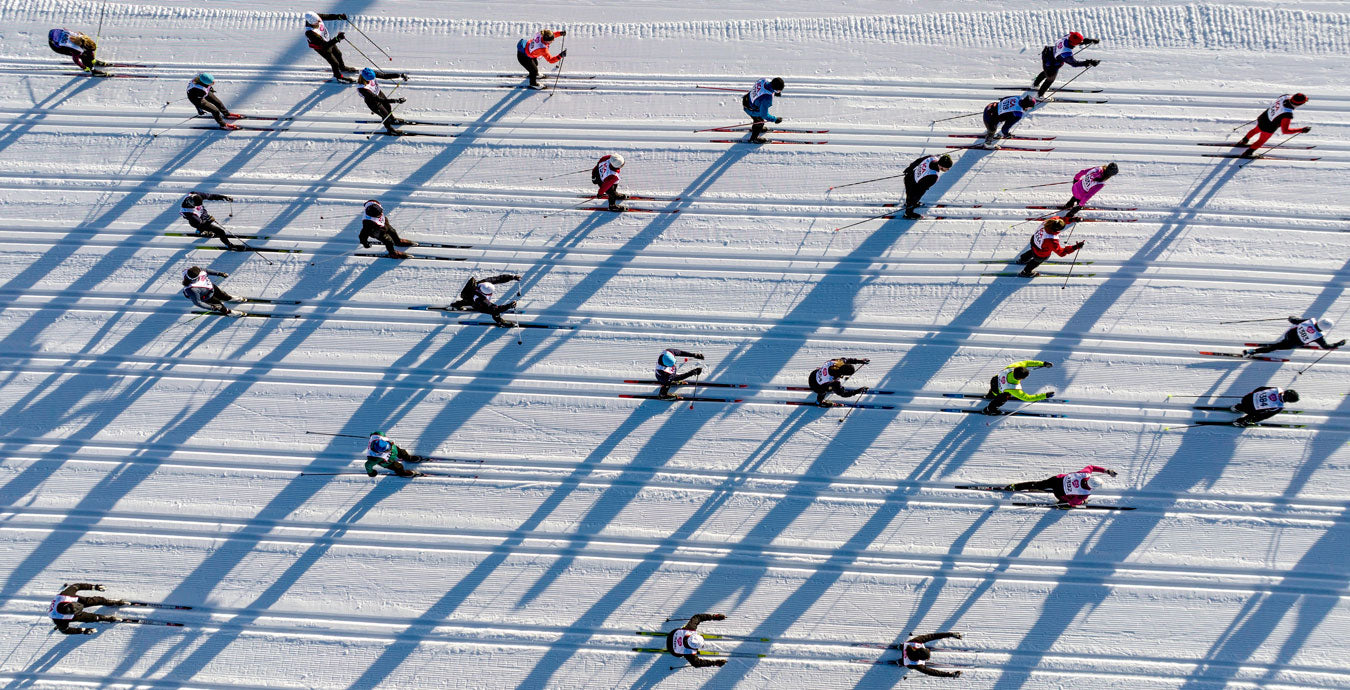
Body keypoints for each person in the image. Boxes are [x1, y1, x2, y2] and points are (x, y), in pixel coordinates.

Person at [1005, 465, 1118, 508]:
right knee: (1069, 503)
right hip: (1059, 492)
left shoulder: (1085, 474)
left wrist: (1107, 471)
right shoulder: (1084, 494)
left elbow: (1092, 467)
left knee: (1038, 484)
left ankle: (1014, 487)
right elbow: (1073, 502)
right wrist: (1082, 502)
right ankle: (1060, 504)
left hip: (1056, 480)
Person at [1238, 93, 1310, 157]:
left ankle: (1243, 141)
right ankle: (1248, 153)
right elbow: (1285, 131)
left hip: (1263, 117)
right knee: (1261, 140)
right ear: (1299, 104)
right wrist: (1301, 130)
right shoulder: (1287, 114)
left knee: (1255, 130)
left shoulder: (1284, 96)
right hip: (1269, 127)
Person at [1032, 31, 1100, 98]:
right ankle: (1039, 95)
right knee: (1050, 79)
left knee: (1046, 72)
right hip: (1052, 63)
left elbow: (1075, 41)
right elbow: (1075, 64)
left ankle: (1035, 84)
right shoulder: (1066, 53)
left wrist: (1089, 41)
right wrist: (1089, 62)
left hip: (1048, 53)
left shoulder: (1068, 37)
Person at [49, 583, 131, 634]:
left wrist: (94, 587)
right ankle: (103, 618)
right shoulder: (59, 619)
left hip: (77, 601)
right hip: (72, 615)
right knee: (92, 618)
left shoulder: (66, 595)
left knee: (97, 600)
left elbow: (78, 586)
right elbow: (65, 630)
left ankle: (109, 602)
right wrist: (82, 630)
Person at [1015, 217, 1082, 277]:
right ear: (1057, 230)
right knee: (1036, 261)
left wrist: (1073, 219)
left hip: (1034, 243)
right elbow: (1061, 253)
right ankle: (1026, 272)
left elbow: (1061, 219)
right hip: (1041, 254)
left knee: (1032, 251)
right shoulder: (1051, 240)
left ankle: (1023, 259)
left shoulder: (1049, 222)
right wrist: (1075, 247)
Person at [1245, 316, 1344, 356]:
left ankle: (1275, 345)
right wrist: (1338, 344)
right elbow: (1325, 347)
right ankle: (1253, 351)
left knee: (1280, 344)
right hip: (1293, 343)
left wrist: (1291, 318)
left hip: (1289, 334)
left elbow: (1294, 320)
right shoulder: (1318, 336)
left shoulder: (1309, 321)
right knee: (1275, 347)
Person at [983, 360, 1054, 415]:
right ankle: (990, 409)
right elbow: (1027, 398)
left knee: (996, 390)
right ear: (1021, 378)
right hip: (997, 389)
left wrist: (1043, 363)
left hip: (994, 380)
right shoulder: (1013, 388)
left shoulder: (1013, 367)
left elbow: (1027, 363)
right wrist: (1045, 395)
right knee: (1005, 396)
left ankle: (990, 395)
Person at [449, 274, 521, 326]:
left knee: (467, 301)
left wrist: (512, 277)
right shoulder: (482, 300)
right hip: (478, 306)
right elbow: (495, 309)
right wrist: (509, 306)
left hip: (469, 296)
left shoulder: (483, 283)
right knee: (494, 312)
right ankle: (499, 321)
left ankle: (455, 305)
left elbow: (498, 279)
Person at [303, 11, 356, 82]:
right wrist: (337, 39)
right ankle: (338, 77)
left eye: (319, 20)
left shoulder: (316, 17)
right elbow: (325, 46)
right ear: (312, 23)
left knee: (338, 54)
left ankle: (342, 68)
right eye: (317, 22)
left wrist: (339, 16)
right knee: (334, 63)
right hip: (322, 48)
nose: (319, 21)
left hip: (328, 40)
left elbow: (327, 16)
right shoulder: (310, 33)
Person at [357, 67, 411, 136]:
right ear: (366, 79)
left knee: (388, 106)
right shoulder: (362, 88)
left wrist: (399, 75)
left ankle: (392, 119)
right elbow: (379, 99)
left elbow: (384, 76)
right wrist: (396, 101)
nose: (373, 79)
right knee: (385, 115)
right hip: (373, 102)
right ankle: (390, 130)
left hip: (379, 93)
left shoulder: (369, 73)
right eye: (371, 79)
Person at [900, 153, 953, 219]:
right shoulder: (933, 176)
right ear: (941, 166)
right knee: (913, 196)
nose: (948, 169)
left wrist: (909, 169)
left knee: (910, 195)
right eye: (947, 168)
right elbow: (920, 189)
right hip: (912, 183)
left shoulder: (931, 157)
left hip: (909, 177)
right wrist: (914, 200)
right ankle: (908, 213)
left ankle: (909, 203)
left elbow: (918, 161)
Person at [897, 631, 965, 678]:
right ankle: (900, 662)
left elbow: (932, 636)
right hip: (907, 661)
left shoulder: (916, 642)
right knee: (909, 665)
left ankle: (901, 647)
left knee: (906, 647)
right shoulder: (917, 665)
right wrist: (949, 675)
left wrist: (950, 634)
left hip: (907, 649)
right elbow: (932, 672)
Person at [742, 77, 784, 144]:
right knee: (760, 121)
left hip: (747, 100)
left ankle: (758, 128)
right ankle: (754, 138)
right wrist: (775, 119)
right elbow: (764, 115)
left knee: (758, 119)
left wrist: (774, 92)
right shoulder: (767, 98)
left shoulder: (763, 80)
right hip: (750, 109)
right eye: (779, 90)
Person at [1230, 387, 1298, 427]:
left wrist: (1252, 394)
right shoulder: (1279, 406)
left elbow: (1261, 388)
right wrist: (1254, 420)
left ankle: (1237, 407)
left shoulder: (1277, 389)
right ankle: (1241, 421)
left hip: (1246, 399)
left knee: (1252, 405)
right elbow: (1265, 415)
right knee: (1257, 412)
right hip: (1250, 409)